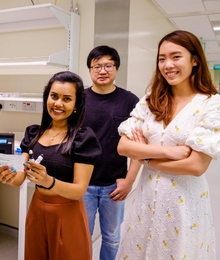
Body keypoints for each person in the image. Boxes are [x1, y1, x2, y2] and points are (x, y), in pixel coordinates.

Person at [116, 30, 220, 259]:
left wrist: (145, 156)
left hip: (183, 205)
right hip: (145, 199)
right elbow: (123, 147)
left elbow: (196, 166)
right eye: (162, 58)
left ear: (195, 60)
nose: (167, 65)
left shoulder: (212, 105)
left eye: (176, 56)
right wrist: (171, 152)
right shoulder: (151, 100)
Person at [0, 71, 102, 260]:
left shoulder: (82, 139)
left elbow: (79, 190)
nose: (58, 103)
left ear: (76, 105)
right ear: (47, 98)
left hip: (67, 214)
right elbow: (20, 177)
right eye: (54, 96)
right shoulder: (34, 133)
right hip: (37, 210)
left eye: (67, 99)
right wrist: (8, 177)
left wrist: (48, 181)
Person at [82, 45, 141, 259]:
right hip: (82, 183)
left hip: (114, 185)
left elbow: (139, 146)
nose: (102, 70)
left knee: (112, 237)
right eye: (97, 66)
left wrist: (129, 180)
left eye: (108, 65)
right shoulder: (79, 99)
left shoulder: (130, 101)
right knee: (81, 236)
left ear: (116, 68)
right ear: (89, 70)